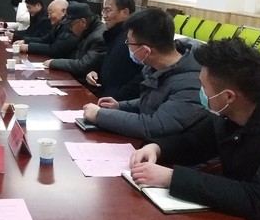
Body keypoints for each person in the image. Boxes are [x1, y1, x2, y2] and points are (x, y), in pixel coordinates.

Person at [129, 38, 260, 220]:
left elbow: (259, 200)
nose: (200, 92)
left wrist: (172, 178)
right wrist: (156, 148)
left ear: (229, 96)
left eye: (203, 86)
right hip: (235, 219)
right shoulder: (227, 112)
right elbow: (194, 143)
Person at [82, 8, 207, 139]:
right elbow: (153, 101)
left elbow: (154, 126)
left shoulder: (191, 82)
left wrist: (100, 115)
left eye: (129, 43)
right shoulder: (158, 67)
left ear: (146, 51)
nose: (127, 46)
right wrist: (119, 106)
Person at [85, 0, 143, 101]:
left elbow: (141, 77)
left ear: (125, 13)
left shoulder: (134, 39)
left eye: (108, 10)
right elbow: (111, 68)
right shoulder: (114, 35)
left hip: (118, 103)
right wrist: (95, 73)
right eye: (103, 11)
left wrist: (116, 98)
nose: (104, 16)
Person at [43, 2, 106, 78]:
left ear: (83, 22)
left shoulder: (98, 37)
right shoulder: (87, 31)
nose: (70, 29)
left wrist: (53, 63)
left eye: (71, 25)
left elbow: (83, 66)